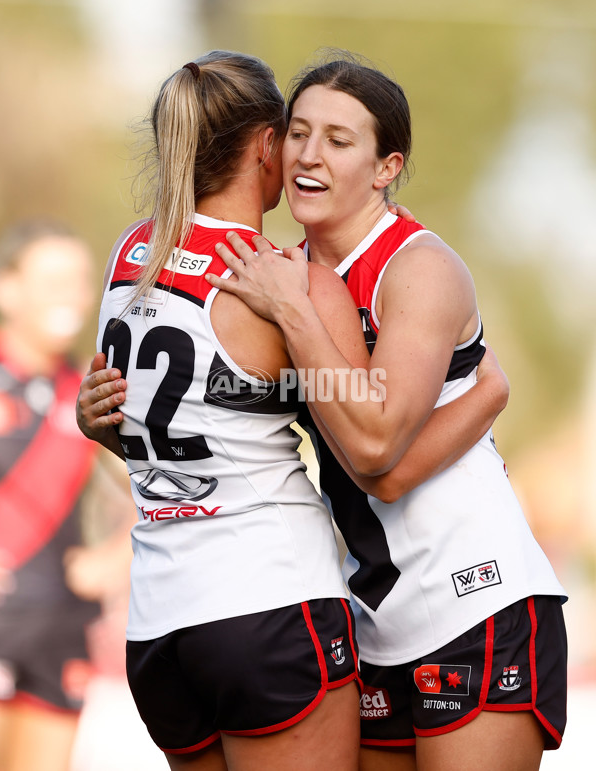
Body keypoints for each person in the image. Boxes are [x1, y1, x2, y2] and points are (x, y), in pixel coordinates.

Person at [77, 50, 510, 771]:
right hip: (268, 605)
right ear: (263, 147)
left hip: (158, 628)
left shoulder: (129, 256)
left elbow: (186, 432)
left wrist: (98, 428)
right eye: (295, 135)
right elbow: (371, 436)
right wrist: (487, 387)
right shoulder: (288, 280)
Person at [204, 52, 568, 771]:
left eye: (339, 141)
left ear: (385, 167)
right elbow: (225, 436)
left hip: (476, 601)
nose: (310, 155)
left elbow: (375, 452)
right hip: (371, 616)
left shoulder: (418, 267)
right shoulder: (285, 274)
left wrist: (294, 313)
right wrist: (110, 426)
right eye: (299, 133)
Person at [0, 219, 112, 771]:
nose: (70, 294)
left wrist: (114, 560)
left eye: (79, 279)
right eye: (53, 279)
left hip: (60, 629)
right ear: (6, 288)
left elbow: (168, 486)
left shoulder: (92, 392)